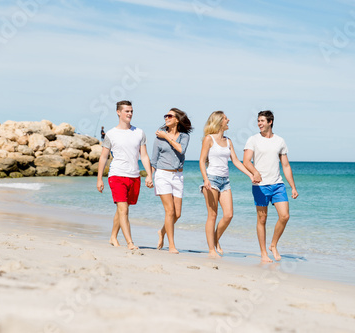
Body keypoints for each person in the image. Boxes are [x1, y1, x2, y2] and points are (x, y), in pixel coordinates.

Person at [96, 100, 154, 250]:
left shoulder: (139, 132)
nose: (130, 114)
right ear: (118, 112)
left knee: (122, 208)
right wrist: (99, 179)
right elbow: (103, 157)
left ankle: (113, 237)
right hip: (116, 175)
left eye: (131, 111)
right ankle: (130, 243)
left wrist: (149, 175)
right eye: (127, 111)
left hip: (134, 175)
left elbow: (144, 156)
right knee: (124, 209)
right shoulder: (111, 134)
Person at [243, 110, 298, 262]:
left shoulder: (280, 141)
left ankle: (273, 245)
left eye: (262, 121)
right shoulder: (253, 140)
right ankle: (263, 253)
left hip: (277, 184)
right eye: (258, 121)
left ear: (270, 122)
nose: (259, 124)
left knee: (285, 216)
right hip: (260, 185)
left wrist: (293, 186)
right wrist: (255, 172)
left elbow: (285, 165)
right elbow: (246, 161)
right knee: (262, 219)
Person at [199, 111, 255, 258]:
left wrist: (250, 174)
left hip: (225, 181)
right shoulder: (208, 139)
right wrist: (205, 179)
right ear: (219, 121)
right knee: (212, 215)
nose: (228, 120)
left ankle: (215, 239)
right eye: (225, 118)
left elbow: (236, 161)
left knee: (229, 215)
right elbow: (201, 161)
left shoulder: (228, 141)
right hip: (212, 180)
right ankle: (211, 250)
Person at [151, 108, 193, 254]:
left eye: (169, 116)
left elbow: (181, 150)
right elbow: (154, 160)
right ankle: (172, 245)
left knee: (177, 213)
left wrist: (167, 137)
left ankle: (162, 232)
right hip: (162, 175)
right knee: (169, 211)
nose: (166, 118)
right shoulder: (159, 137)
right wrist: (150, 177)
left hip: (178, 176)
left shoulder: (184, 136)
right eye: (165, 116)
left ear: (177, 119)